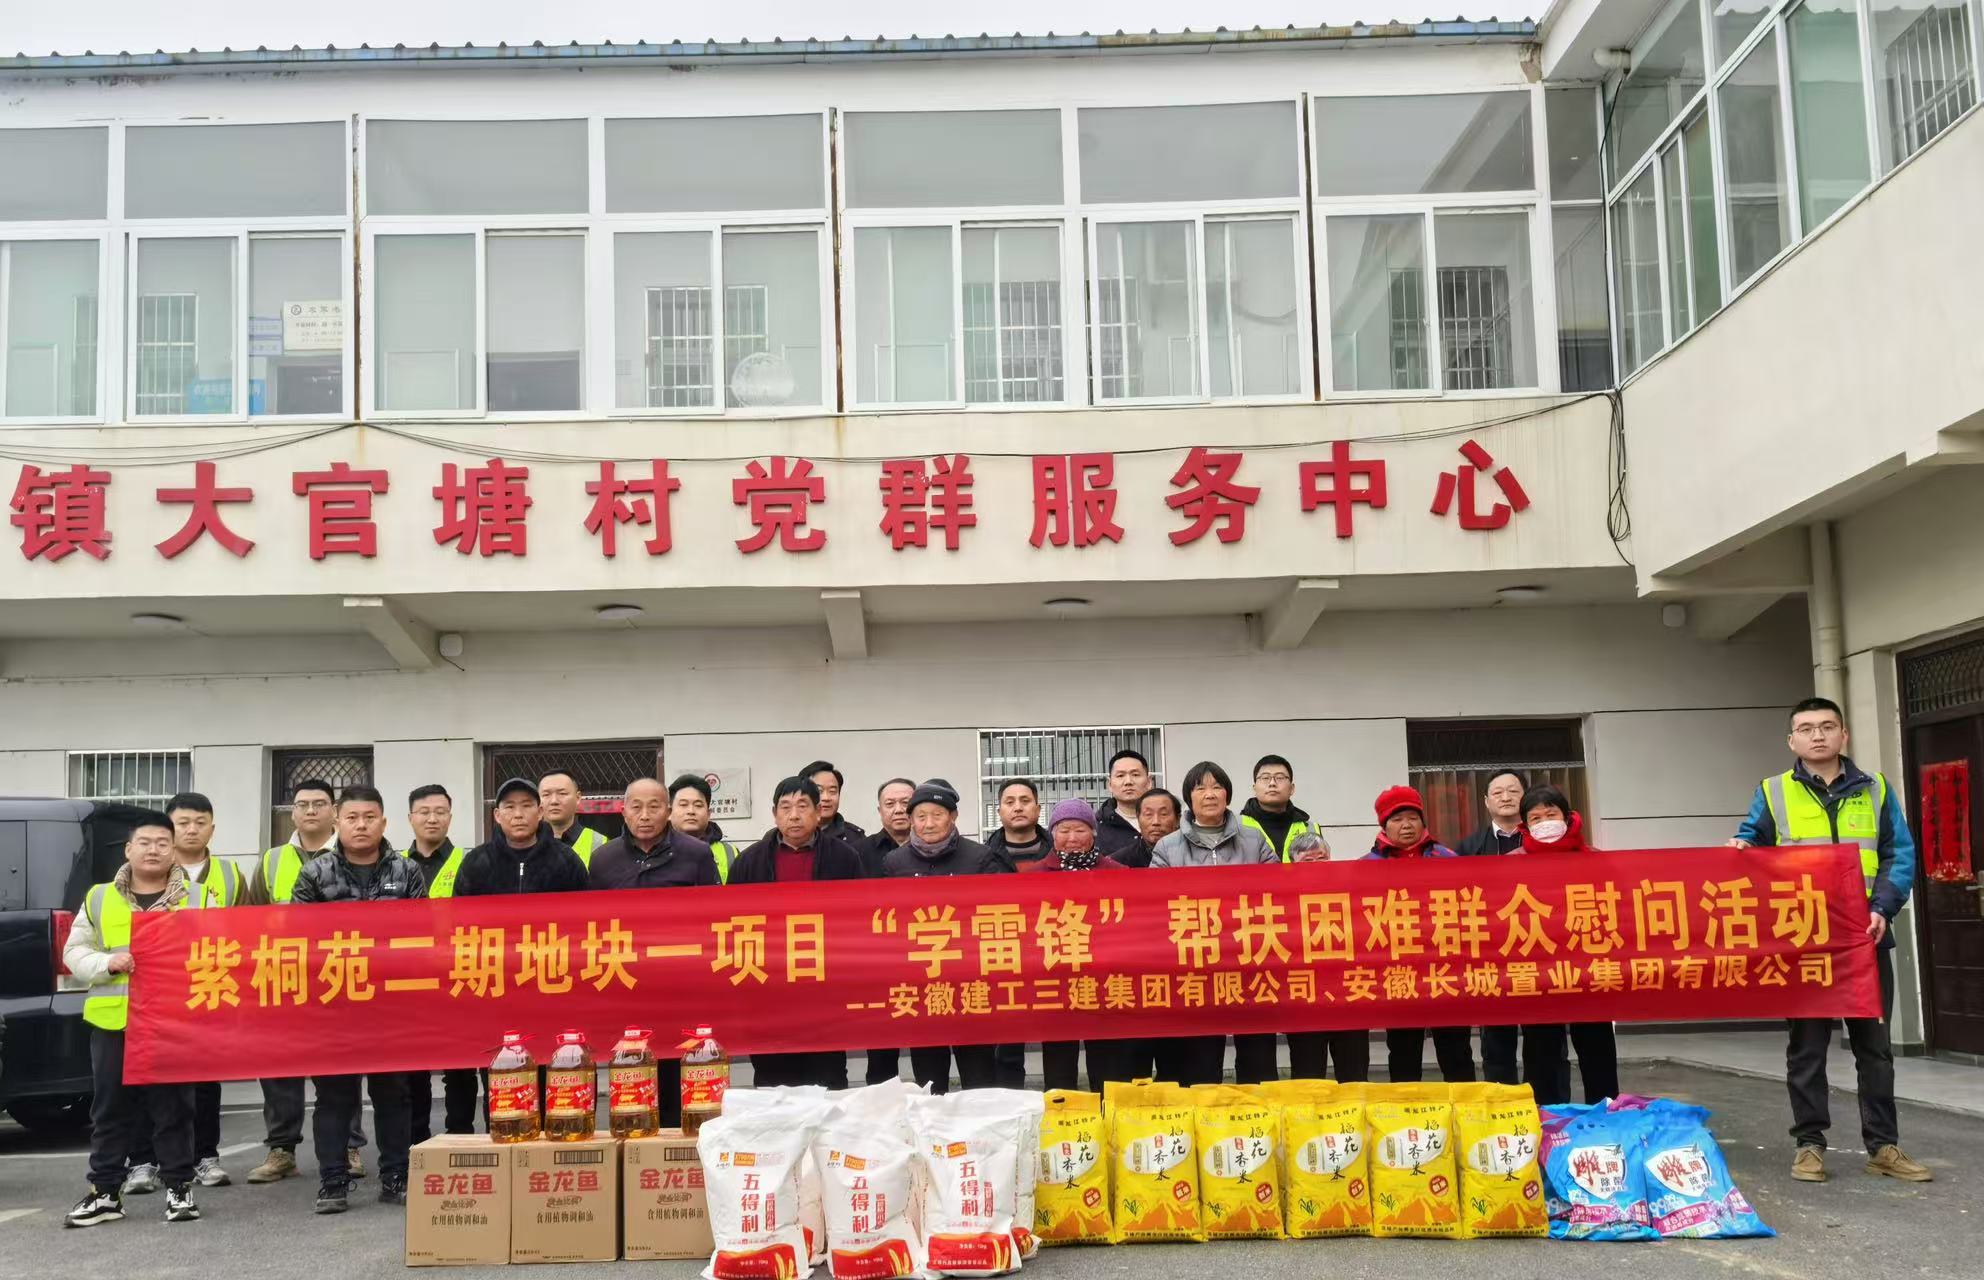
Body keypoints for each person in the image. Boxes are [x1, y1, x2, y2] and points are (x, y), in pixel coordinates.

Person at [1730, 695, 1931, 1184]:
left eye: (1826, 726)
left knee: (1875, 1049)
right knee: (1807, 1048)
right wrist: (1741, 847)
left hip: (1865, 938)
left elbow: (1899, 855)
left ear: (1844, 735)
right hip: (1804, 942)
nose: (1817, 735)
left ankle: (1883, 1146)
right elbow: (1751, 843)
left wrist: (1882, 909)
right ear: (1792, 740)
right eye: (1806, 728)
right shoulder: (1773, 791)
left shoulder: (1876, 789)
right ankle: (1810, 1145)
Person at [62, 811, 202, 1227]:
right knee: (109, 1109)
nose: (153, 850)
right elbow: (74, 952)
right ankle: (105, 1192)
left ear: (173, 850)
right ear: (128, 849)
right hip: (113, 1022)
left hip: (172, 1023)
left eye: (162, 843)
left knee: (174, 1107)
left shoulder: (195, 898)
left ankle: (179, 1188)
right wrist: (107, 963)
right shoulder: (99, 897)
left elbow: (218, 952)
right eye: (145, 842)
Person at [291, 786, 427, 1214]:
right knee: (334, 1096)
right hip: (334, 1004)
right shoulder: (314, 873)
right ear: (337, 822)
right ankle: (332, 1180)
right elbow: (297, 938)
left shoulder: (406, 871)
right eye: (352, 818)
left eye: (370, 817)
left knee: (393, 1094)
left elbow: (420, 934)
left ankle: (395, 1176)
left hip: (390, 1005)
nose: (361, 825)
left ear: (383, 823)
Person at [245, 778, 362, 1186]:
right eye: (302, 804)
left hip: (338, 976)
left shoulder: (355, 853)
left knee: (342, 1066)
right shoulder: (272, 860)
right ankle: (282, 1150)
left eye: (319, 803)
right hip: (284, 977)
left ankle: (349, 1147)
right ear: (292, 813)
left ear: (334, 811)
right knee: (279, 1066)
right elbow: (251, 920)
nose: (311, 811)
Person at [122, 792, 239, 1197]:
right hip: (142, 1004)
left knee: (203, 1083)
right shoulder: (124, 884)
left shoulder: (226, 878)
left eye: (199, 822)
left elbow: (243, 931)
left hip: (200, 994)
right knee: (143, 1083)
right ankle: (143, 1161)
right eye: (182, 823)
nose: (191, 829)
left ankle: (205, 1155)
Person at [590, 778, 720, 1121]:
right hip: (627, 986)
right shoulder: (603, 860)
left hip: (682, 987)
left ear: (668, 811)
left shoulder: (696, 854)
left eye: (654, 807)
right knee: (632, 1074)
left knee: (684, 1073)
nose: (645, 815)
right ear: (623, 811)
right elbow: (592, 926)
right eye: (636, 807)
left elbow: (715, 918)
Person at [730, 776, 869, 1089]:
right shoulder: (749, 862)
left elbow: (859, 918)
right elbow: (732, 925)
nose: (794, 815)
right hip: (770, 992)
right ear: (774, 814)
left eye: (803, 806)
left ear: (818, 812)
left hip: (825, 991)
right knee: (773, 1082)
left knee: (829, 1081)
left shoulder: (845, 858)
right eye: (785, 807)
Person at [1150, 762, 1278, 1085]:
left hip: (1250, 962)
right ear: (1189, 798)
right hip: (1196, 967)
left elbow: (1279, 893)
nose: (1209, 794)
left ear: (1228, 795)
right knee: (1200, 1060)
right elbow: (1155, 906)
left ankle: (1256, 1116)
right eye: (1200, 788)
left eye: (1217, 787)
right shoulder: (1167, 848)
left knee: (1258, 1056)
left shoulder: (1254, 841)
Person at [880, 779, 1009, 1091]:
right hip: (921, 982)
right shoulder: (894, 863)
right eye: (921, 816)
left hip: (970, 980)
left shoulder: (981, 858)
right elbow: (886, 920)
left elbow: (998, 914)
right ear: (911, 820)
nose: (928, 823)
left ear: (953, 816)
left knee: (979, 1075)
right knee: (928, 1077)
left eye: (937, 815)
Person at [1506, 784, 1619, 1107]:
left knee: (1596, 1044)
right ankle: (1547, 1114)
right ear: (1525, 825)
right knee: (1541, 1048)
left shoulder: (1594, 859)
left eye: (1551, 814)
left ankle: (1604, 1112)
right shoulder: (1511, 863)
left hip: (1589, 967)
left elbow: (1617, 906)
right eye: (1536, 818)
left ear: (1567, 817)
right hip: (1538, 968)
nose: (1545, 822)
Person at [1363, 785, 1474, 1085]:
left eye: (1412, 817)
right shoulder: (1367, 867)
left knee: (1456, 1050)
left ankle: (1464, 1107)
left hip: (1446, 970)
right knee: (1403, 1051)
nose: (1406, 825)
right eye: (1397, 819)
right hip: (1399, 973)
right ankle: (1406, 1109)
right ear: (1384, 825)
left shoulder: (1448, 859)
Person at [1025, 799, 1135, 1092]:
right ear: (1052, 833)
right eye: (1064, 830)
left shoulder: (1117, 873)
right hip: (1055, 981)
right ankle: (1063, 1116)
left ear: (1093, 833)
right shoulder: (1033, 877)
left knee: (1107, 1062)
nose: (1072, 838)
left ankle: (1107, 1114)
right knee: (1059, 1062)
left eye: (1080, 830)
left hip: (1104, 981)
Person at [400, 784, 471, 1142]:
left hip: (457, 978)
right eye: (424, 812)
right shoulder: (393, 865)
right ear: (410, 818)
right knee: (413, 1067)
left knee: (460, 1067)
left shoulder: (469, 863)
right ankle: (418, 1140)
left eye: (440, 812)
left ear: (450, 817)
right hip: (409, 981)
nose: (432, 819)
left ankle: (461, 1135)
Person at [1458, 770, 1528, 1086]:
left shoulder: (1546, 842)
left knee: (1545, 1041)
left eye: (1513, 790)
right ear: (1486, 802)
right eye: (1498, 793)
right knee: (1497, 1042)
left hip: (1539, 952)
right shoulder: (1468, 848)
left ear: (1525, 797)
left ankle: (1547, 1104)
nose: (1506, 797)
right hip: (1492, 955)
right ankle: (1501, 1104)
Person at [1282, 831, 1368, 1083]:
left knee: (1354, 1073)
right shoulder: (1281, 898)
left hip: (1348, 995)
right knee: (1308, 1075)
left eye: (1322, 858)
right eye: (1308, 860)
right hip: (1304, 998)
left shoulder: (1351, 891)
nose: (1317, 865)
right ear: (1293, 864)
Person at [862, 777, 917, 1085]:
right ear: (879, 810)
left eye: (905, 803)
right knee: (881, 1051)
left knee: (929, 1048)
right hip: (879, 964)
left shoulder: (937, 850)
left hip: (927, 958)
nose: (898, 810)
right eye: (890, 804)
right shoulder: (860, 852)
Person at [455, 778, 592, 897]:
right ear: (497, 815)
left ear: (540, 812)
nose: (518, 814)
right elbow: (460, 913)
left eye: (526, 806)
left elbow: (584, 911)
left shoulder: (566, 861)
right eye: (510, 807)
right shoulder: (475, 862)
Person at [1239, 754, 1315, 861]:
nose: (1272, 783)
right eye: (1265, 778)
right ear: (1254, 788)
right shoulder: (1237, 828)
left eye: (1280, 778)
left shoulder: (1309, 829)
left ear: (1292, 788)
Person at [667, 773, 736, 882]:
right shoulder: (654, 852)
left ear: (708, 814)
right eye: (683, 805)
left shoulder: (730, 852)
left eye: (698, 805)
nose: (691, 811)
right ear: (669, 812)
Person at [537, 771, 607, 867]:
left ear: (578, 798)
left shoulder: (600, 843)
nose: (554, 801)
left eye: (562, 793)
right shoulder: (525, 842)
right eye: (546, 795)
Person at [1093, 749, 1152, 860]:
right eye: (1120, 776)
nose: (1128, 781)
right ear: (1109, 784)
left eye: (1135, 774)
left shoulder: (1167, 821)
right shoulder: (1096, 828)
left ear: (1149, 782)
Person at [985, 779, 1051, 871]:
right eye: (1010, 802)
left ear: (1038, 810)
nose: (1018, 808)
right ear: (999, 813)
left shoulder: (1058, 852)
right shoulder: (983, 858)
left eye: (1025, 801)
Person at [801, 760, 868, 844]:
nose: (826, 798)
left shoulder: (856, 838)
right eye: (819, 791)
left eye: (832, 791)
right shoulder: (788, 834)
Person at [1123, 787, 1181, 869]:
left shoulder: (1189, 856)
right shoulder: (1120, 861)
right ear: (1138, 819)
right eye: (1148, 814)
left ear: (1178, 819)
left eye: (1163, 814)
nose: (1156, 822)